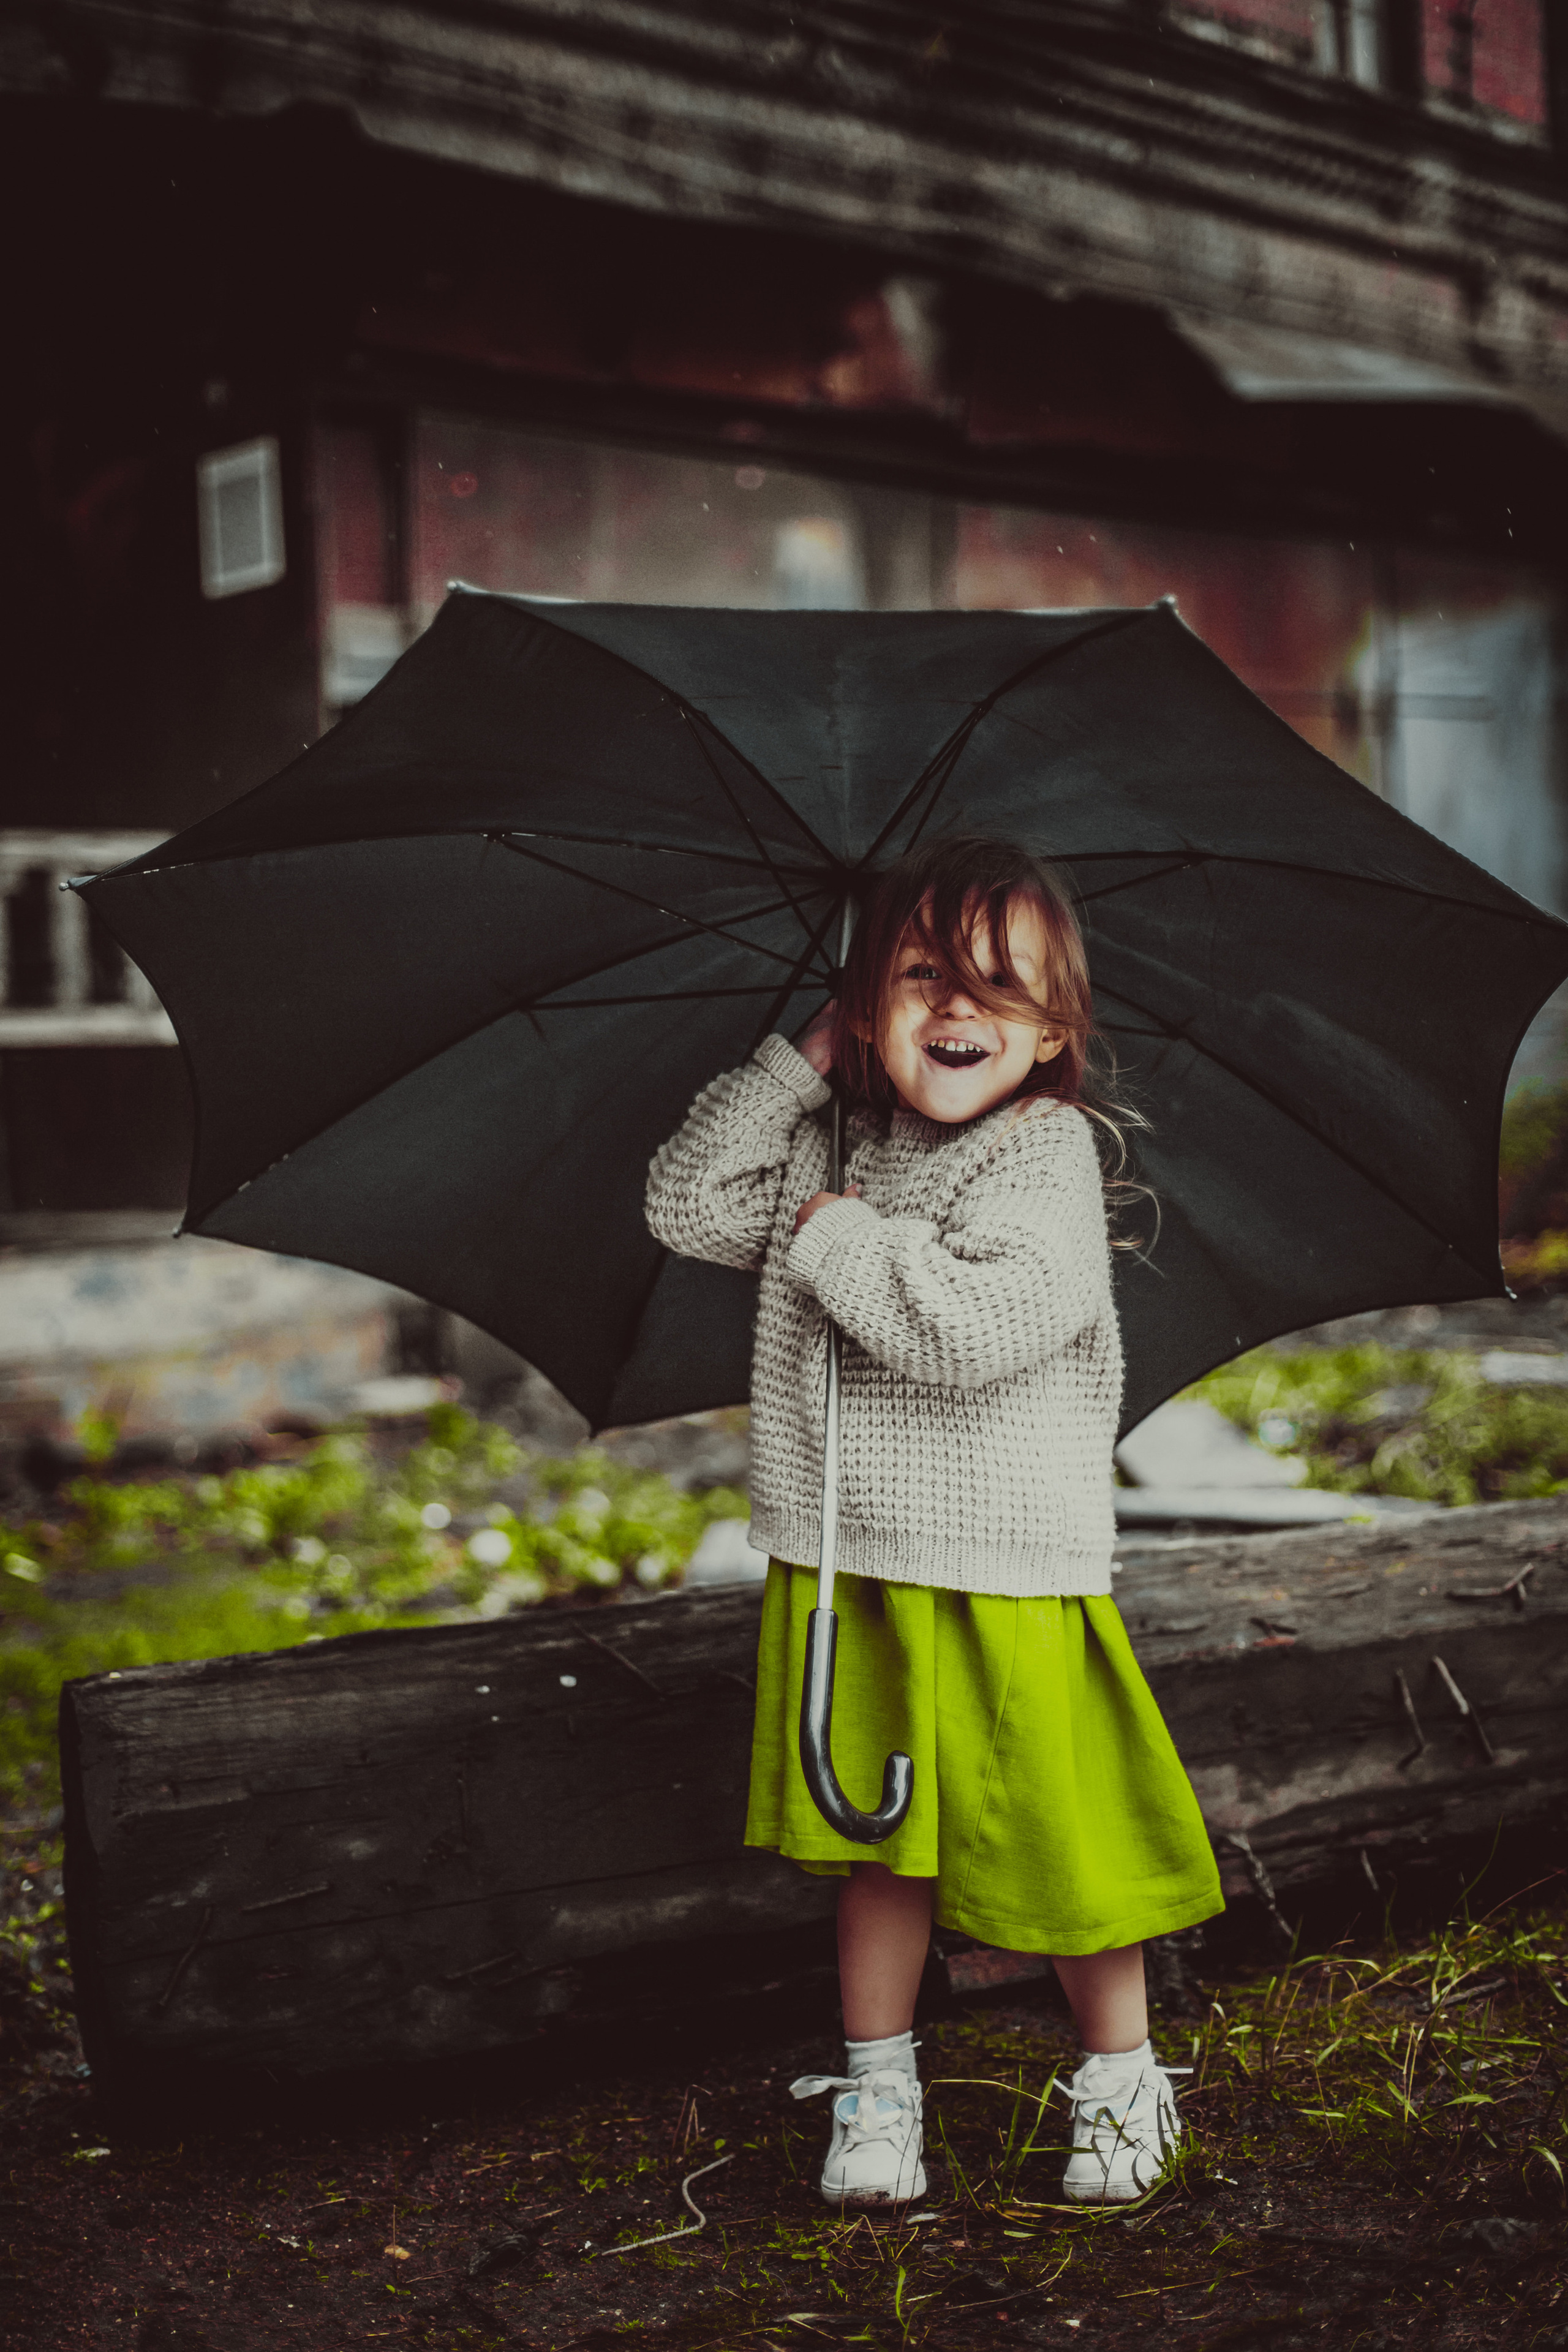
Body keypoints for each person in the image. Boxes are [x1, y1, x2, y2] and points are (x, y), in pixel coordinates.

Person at [645, 834, 1222, 2207]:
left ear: (1050, 1033)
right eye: (917, 978)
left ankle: (1120, 2075)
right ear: (863, 1006)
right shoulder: (825, 1144)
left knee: (1056, 1832)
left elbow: (973, 1327)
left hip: (1001, 1563)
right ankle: (878, 2085)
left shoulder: (1045, 1156)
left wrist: (837, 1236)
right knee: (873, 1850)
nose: (955, 1010)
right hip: (849, 1558)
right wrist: (800, 1066)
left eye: (997, 987)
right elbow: (682, 1201)